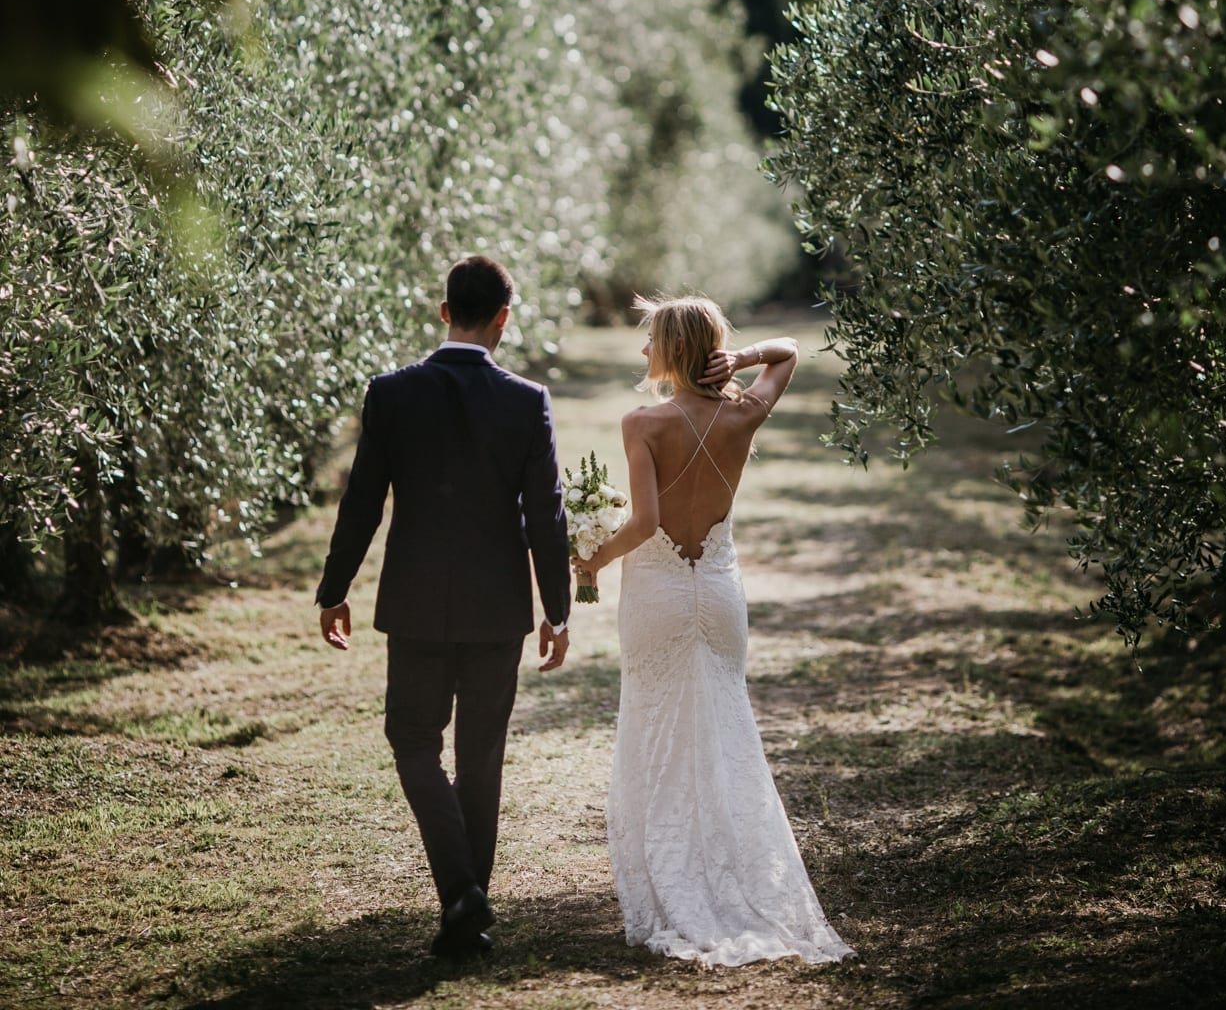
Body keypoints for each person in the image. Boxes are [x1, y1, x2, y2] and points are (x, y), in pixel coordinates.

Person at [574, 294, 852, 967]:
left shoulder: (642, 422)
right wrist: (743, 357)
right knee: (727, 730)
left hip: (660, 594)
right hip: (721, 593)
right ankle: (734, 868)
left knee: (659, 730)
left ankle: (679, 874)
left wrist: (590, 560)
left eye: (652, 340)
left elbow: (645, 524)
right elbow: (788, 352)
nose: (643, 350)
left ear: (675, 349)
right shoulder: (745, 412)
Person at [316, 254, 572, 962]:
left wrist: (334, 589)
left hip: (417, 603)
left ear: (444, 312)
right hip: (498, 609)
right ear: (503, 319)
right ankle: (467, 903)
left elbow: (362, 501)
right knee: (480, 756)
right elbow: (546, 516)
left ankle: (463, 900)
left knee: (412, 742)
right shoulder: (527, 401)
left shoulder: (392, 393)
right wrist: (558, 610)